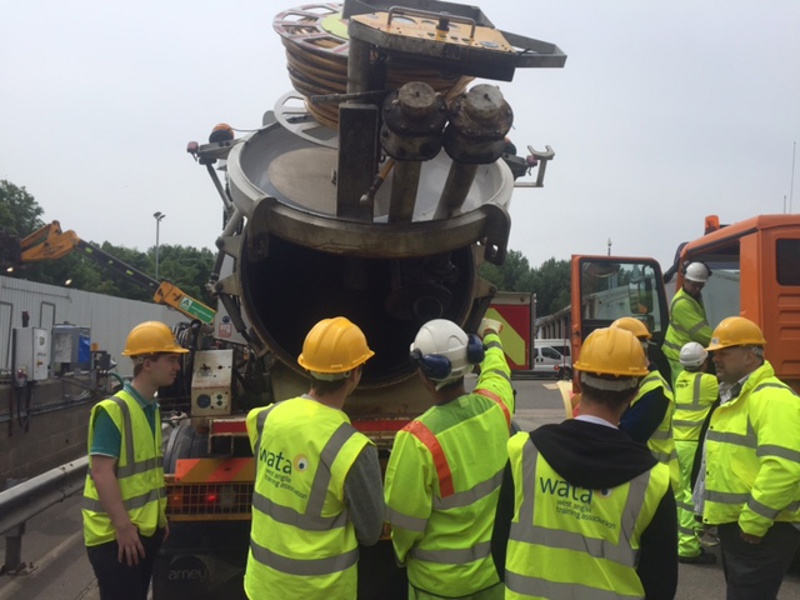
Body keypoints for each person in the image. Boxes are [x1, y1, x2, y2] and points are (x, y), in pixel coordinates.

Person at [491, 327, 677, 599]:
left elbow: (499, 549)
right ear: (635, 391)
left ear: (578, 378)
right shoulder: (653, 481)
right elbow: (661, 584)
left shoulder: (524, 452)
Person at [243, 316, 384, 600]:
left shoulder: (264, 418)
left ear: (306, 367)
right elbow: (370, 532)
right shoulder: (353, 449)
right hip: (321, 592)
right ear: (356, 373)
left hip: (262, 586)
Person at [384, 318, 515, 600]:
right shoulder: (497, 408)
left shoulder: (417, 440)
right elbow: (498, 370)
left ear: (424, 375)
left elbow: (405, 523)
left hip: (439, 585)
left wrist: (400, 554)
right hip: (493, 578)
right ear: (471, 358)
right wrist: (491, 335)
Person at [696, 316, 800, 599]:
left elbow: (784, 467)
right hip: (744, 527)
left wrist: (754, 521)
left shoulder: (773, 399)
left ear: (750, 355)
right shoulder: (739, 397)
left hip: (764, 530)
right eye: (714, 354)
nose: (716, 359)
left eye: (723, 353)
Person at [83, 321, 187, 600]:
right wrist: (123, 527)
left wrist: (158, 519)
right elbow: (102, 472)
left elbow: (147, 473)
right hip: (116, 537)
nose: (177, 367)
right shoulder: (113, 410)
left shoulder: (150, 408)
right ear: (146, 363)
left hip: (144, 531)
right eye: (171, 359)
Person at [613, 317, 680, 492]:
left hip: (654, 483)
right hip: (646, 478)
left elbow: (625, 439)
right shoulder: (640, 386)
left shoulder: (655, 393)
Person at [672, 342, 719, 565]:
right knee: (692, 495)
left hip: (678, 441)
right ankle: (689, 548)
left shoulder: (680, 379)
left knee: (681, 494)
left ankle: (681, 540)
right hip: (693, 444)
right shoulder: (708, 381)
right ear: (704, 362)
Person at [663, 261, 713, 385]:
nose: (697, 289)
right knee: (684, 391)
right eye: (694, 285)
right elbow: (701, 332)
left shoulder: (692, 297)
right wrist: (722, 342)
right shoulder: (682, 304)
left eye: (700, 285)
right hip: (679, 355)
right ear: (685, 280)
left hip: (687, 353)